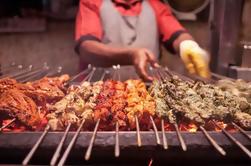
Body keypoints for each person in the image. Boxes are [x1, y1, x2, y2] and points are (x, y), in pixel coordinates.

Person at [75, 0, 211, 80]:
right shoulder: (92, 2)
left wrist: (189, 46)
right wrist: (130, 55)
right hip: (100, 92)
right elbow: (86, 48)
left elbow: (175, 32)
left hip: (147, 91)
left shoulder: (154, 4)